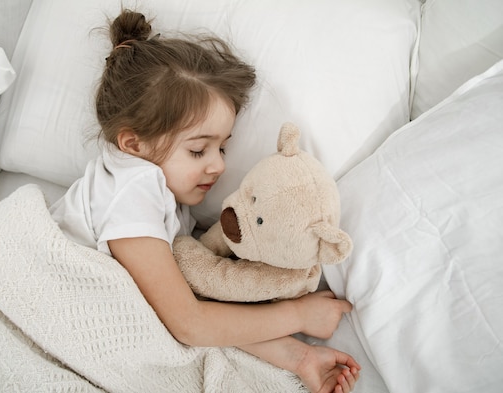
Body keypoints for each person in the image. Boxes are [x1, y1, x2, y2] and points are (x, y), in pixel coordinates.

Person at [50, 9, 361, 393]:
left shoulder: (162, 195)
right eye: (198, 151)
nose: (218, 166)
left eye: (223, 148)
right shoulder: (133, 189)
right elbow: (189, 323)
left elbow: (179, 306)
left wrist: (300, 357)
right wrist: (298, 314)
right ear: (134, 145)